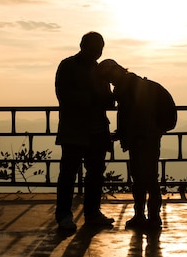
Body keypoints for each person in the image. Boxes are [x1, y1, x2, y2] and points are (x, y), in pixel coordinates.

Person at [96, 59, 177, 231]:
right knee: (145, 178)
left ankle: (148, 217)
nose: (110, 82)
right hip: (145, 138)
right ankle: (147, 216)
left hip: (142, 138)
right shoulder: (134, 86)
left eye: (109, 78)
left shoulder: (129, 89)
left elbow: (132, 115)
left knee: (144, 179)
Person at [54, 31, 116, 232]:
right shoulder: (68, 66)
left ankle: (92, 213)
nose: (97, 53)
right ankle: (64, 215)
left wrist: (105, 97)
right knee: (68, 174)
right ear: (83, 46)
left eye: (100, 49)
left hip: (96, 130)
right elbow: (64, 94)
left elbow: (107, 99)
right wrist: (93, 98)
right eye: (94, 48)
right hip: (75, 130)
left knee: (96, 173)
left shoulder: (99, 71)